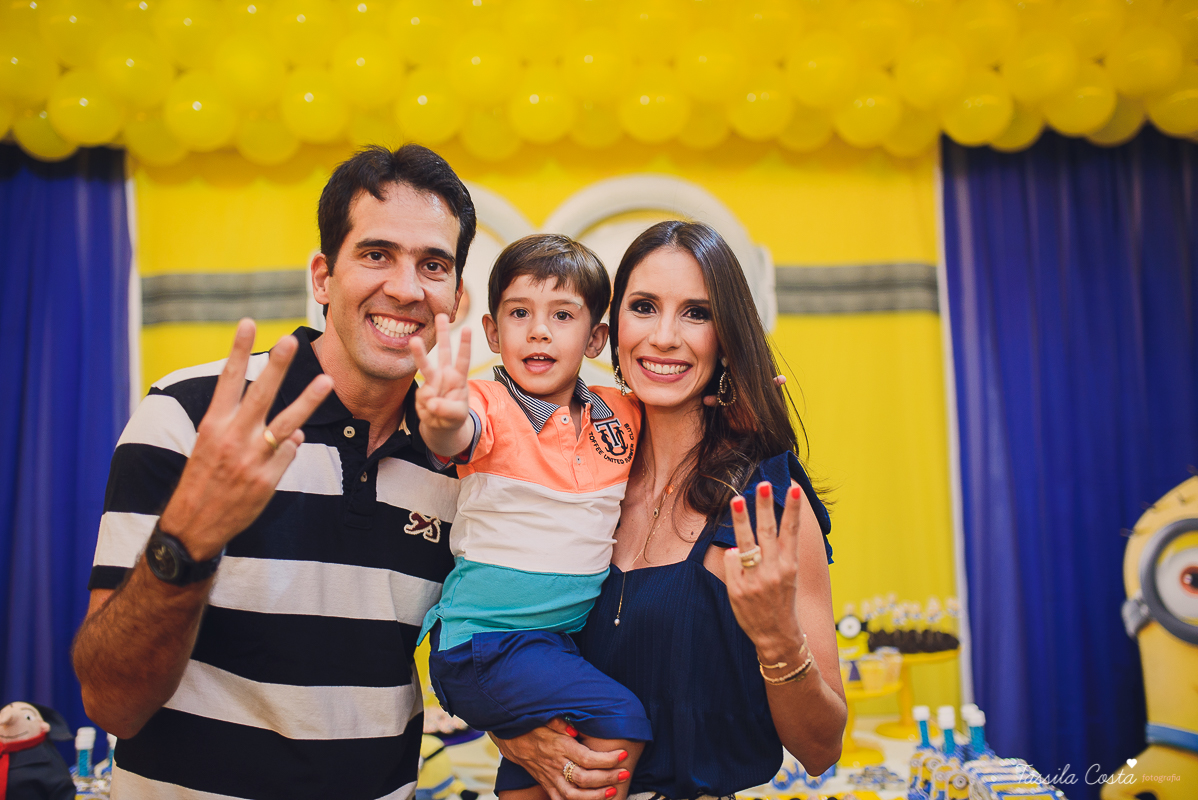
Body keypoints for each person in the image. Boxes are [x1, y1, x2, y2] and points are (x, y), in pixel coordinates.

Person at [71, 144, 477, 800]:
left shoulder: (461, 457)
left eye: (433, 265)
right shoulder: (191, 416)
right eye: (376, 254)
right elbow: (111, 703)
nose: (405, 289)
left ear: (455, 295)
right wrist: (190, 537)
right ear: (323, 276)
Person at [493, 220, 848, 800]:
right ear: (608, 331)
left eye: (696, 313)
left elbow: (820, 747)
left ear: (727, 336)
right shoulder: (572, 478)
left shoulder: (765, 501)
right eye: (644, 306)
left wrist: (777, 638)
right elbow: (504, 636)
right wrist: (512, 734)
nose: (663, 336)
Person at [412, 235, 648, 800]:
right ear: (493, 332)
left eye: (561, 315)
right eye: (519, 313)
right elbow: (458, 434)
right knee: (623, 720)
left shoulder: (621, 411)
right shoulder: (486, 402)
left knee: (544, 758)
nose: (538, 331)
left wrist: (736, 401)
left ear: (595, 339)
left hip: (551, 644)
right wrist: (441, 418)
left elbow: (690, 422)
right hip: (483, 645)